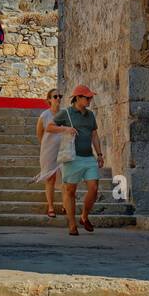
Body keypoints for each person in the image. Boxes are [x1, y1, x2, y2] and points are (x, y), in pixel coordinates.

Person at [45, 85, 104, 236]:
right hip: (72, 158)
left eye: (90, 97)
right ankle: (72, 224)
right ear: (77, 98)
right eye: (87, 97)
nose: (90, 99)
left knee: (94, 188)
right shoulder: (66, 113)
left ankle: (84, 216)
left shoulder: (90, 115)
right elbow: (49, 127)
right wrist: (65, 129)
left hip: (88, 157)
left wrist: (99, 154)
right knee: (70, 191)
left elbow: (94, 135)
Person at [34, 89, 63, 217]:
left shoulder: (64, 114)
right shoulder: (44, 115)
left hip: (63, 151)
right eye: (55, 96)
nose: (58, 98)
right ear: (49, 100)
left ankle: (65, 204)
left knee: (66, 178)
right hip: (48, 152)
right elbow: (39, 133)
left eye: (59, 96)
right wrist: (46, 145)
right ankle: (51, 207)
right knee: (50, 179)